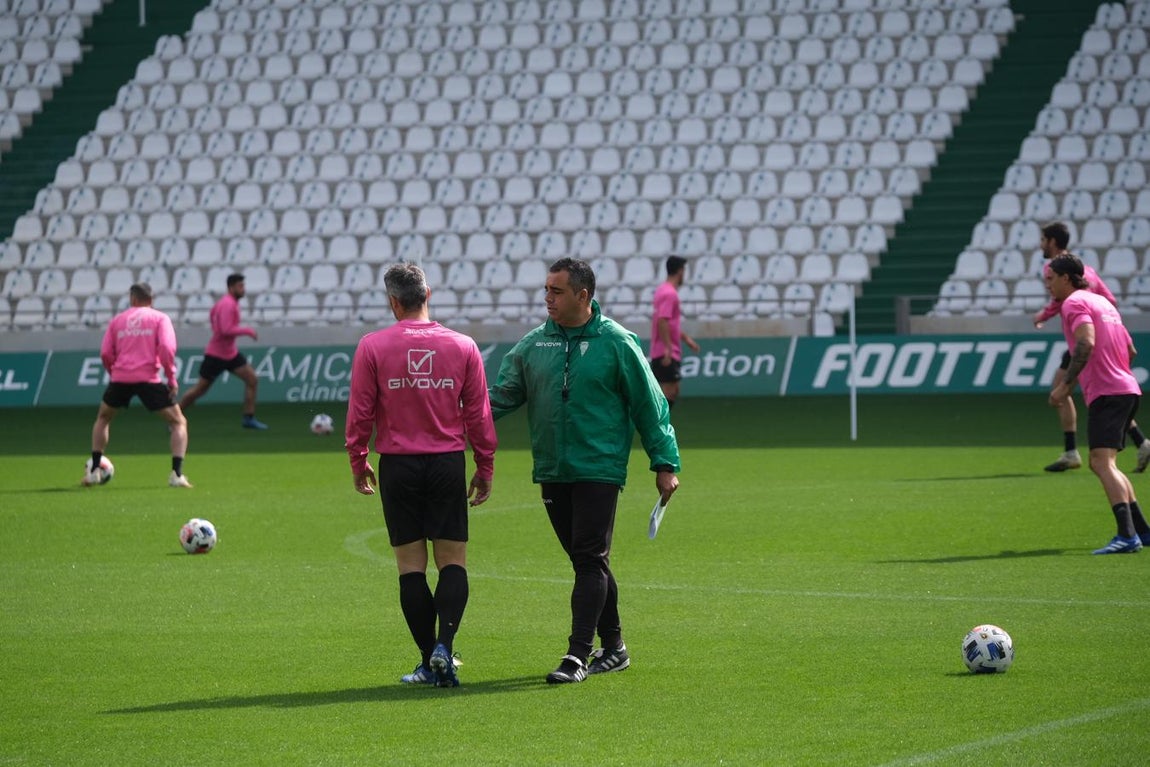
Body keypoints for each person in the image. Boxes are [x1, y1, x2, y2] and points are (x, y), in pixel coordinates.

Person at [489, 257, 681, 684]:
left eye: (556, 291)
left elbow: (651, 406)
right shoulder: (533, 345)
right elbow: (498, 398)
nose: (547, 299)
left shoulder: (617, 343)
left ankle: (577, 655)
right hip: (553, 468)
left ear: (583, 296)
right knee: (586, 560)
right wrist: (447, 421)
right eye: (546, 290)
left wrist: (664, 462)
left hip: (599, 467)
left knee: (590, 558)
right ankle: (614, 648)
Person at [345, 262, 496, 688]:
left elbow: (360, 413)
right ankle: (445, 647)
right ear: (428, 293)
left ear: (393, 301)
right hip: (447, 463)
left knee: (411, 568)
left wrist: (359, 461)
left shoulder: (373, 346)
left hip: (399, 466)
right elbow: (479, 415)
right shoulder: (463, 345)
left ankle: (429, 659)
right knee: (453, 562)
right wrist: (484, 465)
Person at [1046, 255, 1150, 554]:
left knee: (1100, 463)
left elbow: (1086, 342)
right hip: (1127, 388)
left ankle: (1127, 536)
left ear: (1066, 278)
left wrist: (1065, 386)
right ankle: (1141, 531)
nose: (1048, 285)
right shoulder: (1102, 303)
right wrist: (1114, 371)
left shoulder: (1074, 303)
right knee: (1109, 464)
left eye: (1051, 278)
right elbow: (1130, 348)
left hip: (1108, 393)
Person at [1032, 222, 1150, 472]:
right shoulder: (1087, 270)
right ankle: (1141, 442)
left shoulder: (1054, 269)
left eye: (1043, 240)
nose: (1041, 244)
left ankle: (1071, 451)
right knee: (1107, 395)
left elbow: (1057, 302)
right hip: (1107, 338)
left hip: (1086, 339)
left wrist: (1041, 316)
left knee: (1062, 390)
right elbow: (1111, 300)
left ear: (1052, 242)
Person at [84, 282, 192, 488]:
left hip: (120, 378)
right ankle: (177, 475)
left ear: (132, 299)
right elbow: (167, 348)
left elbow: (105, 353)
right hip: (149, 379)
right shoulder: (160, 318)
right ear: (151, 300)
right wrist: (171, 378)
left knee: (103, 418)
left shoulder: (117, 320)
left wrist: (114, 372)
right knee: (178, 422)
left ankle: (94, 471)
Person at [178, 273, 268, 430]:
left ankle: (248, 418)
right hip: (216, 356)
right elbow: (226, 330)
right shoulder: (228, 304)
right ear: (231, 287)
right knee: (200, 390)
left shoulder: (227, 303)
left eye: (243, 285)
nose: (243, 289)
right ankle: (175, 417)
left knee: (252, 379)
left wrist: (216, 328)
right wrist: (248, 331)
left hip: (230, 353)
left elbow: (213, 314)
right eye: (240, 286)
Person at [650, 255, 701, 409]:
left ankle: (658, 426)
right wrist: (667, 348)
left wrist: (686, 339)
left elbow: (669, 323)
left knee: (672, 390)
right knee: (668, 391)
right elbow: (662, 321)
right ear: (680, 271)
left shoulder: (662, 290)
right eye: (684, 270)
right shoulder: (670, 294)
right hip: (665, 351)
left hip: (663, 349)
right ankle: (657, 428)